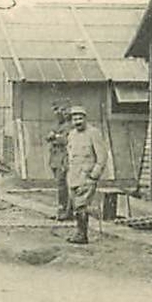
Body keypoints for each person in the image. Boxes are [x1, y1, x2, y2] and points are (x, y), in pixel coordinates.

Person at [63, 106, 110, 245]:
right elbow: (69, 154)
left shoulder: (93, 133)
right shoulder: (71, 134)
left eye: (80, 118)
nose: (78, 121)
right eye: (75, 119)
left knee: (81, 205)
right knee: (76, 206)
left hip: (86, 176)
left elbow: (102, 157)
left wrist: (94, 176)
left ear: (85, 118)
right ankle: (79, 232)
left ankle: (82, 235)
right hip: (73, 176)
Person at [45, 101, 74, 220]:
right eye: (56, 111)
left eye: (62, 110)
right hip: (55, 158)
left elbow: (67, 140)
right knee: (60, 185)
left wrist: (55, 137)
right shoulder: (58, 125)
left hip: (65, 159)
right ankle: (61, 211)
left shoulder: (71, 125)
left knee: (66, 186)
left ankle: (68, 212)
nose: (59, 113)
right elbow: (48, 137)